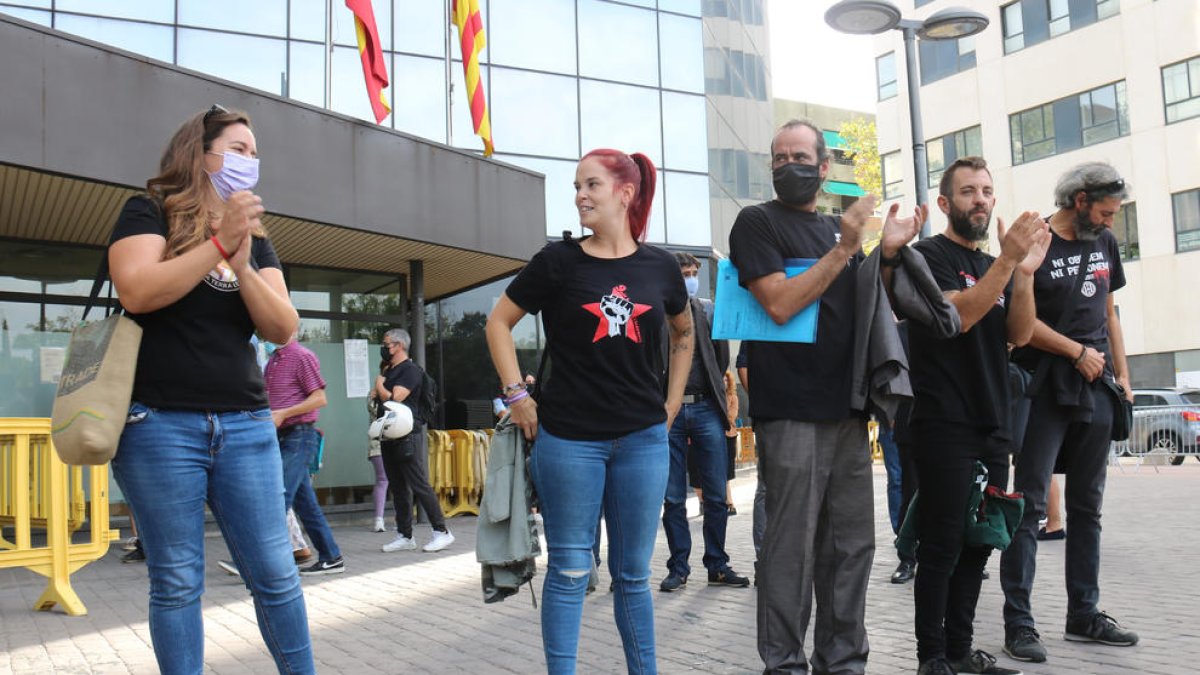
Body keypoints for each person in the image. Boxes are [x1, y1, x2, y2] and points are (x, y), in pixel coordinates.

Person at [107, 105, 312, 673]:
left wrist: (242, 263)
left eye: (255, 152)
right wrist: (217, 246)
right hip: (160, 426)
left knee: (275, 573)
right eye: (238, 149)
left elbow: (282, 327)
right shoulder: (148, 211)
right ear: (200, 154)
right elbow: (139, 291)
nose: (251, 161)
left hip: (246, 426)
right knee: (176, 579)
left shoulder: (255, 238)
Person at [727, 118, 924, 674]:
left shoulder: (841, 232)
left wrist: (884, 254)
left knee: (851, 547)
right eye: (778, 156)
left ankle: (843, 662)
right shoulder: (757, 224)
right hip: (789, 410)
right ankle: (784, 664)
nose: (786, 164)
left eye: (798, 155)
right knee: (792, 548)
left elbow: (867, 314)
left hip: (847, 410)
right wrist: (845, 248)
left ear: (823, 166)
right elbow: (781, 304)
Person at [485, 148, 692, 674]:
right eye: (577, 186)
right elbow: (497, 324)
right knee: (572, 570)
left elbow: (684, 333)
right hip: (569, 441)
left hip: (643, 442)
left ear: (625, 193)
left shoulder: (661, 266)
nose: (580, 195)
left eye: (591, 185)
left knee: (632, 576)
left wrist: (670, 405)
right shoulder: (558, 262)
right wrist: (518, 396)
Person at [902, 156, 1048, 675]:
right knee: (941, 544)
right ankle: (932, 658)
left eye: (987, 191)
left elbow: (1020, 335)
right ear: (945, 203)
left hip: (993, 422)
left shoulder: (998, 265)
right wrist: (1008, 263)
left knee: (979, 544)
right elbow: (958, 317)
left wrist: (1024, 274)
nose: (981, 200)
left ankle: (962, 652)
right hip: (944, 422)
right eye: (968, 192)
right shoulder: (926, 257)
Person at [1000, 162, 1138, 664]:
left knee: (1087, 509)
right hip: (1043, 387)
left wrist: (1122, 378)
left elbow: (1108, 312)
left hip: (1097, 388)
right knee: (1029, 507)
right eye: (1103, 212)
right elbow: (1020, 324)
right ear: (1079, 200)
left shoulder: (1103, 243)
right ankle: (1019, 622)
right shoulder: (1034, 240)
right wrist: (1075, 352)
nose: (1108, 223)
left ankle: (1084, 613)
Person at [659, 252, 749, 593]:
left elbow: (721, 358)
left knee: (715, 493)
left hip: (705, 408)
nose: (691, 277)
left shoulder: (709, 310)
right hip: (669, 412)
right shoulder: (657, 313)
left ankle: (718, 564)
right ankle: (678, 567)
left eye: (694, 271)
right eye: (685, 272)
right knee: (673, 497)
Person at [264, 334, 344, 575]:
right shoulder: (273, 361)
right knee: (305, 505)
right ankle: (331, 556)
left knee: (276, 498)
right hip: (282, 437)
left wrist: (283, 414)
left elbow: (320, 398)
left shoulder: (302, 356)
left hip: (299, 436)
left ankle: (257, 561)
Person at [375, 328, 455, 554]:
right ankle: (405, 535)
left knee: (419, 483)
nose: (384, 347)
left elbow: (395, 397)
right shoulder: (390, 370)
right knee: (398, 486)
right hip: (389, 434)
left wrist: (379, 384)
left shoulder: (410, 370)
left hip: (407, 435)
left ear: (399, 345)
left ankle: (442, 531)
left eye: (386, 343)